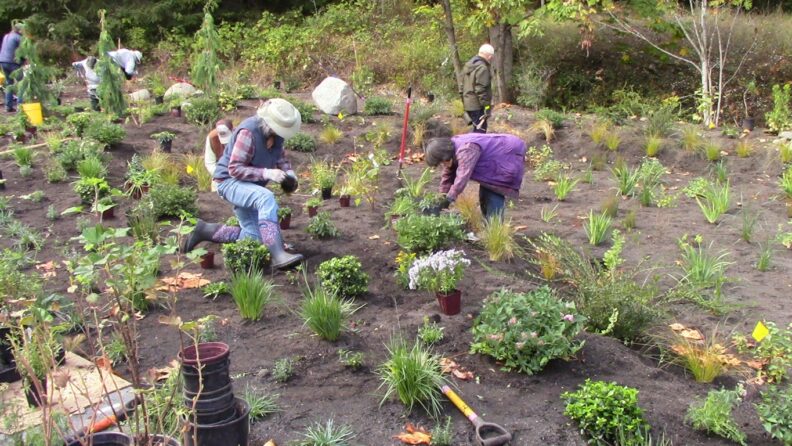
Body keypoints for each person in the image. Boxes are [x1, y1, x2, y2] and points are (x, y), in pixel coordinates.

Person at [181, 98, 303, 270]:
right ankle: (277, 254)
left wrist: (289, 174)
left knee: (253, 238)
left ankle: (205, 230)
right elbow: (234, 169)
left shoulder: (277, 137)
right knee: (266, 198)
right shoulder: (249, 133)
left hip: (250, 186)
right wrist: (267, 173)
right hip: (229, 182)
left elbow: (280, 158)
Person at [424, 133, 526, 219]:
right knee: (484, 196)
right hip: (494, 159)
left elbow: (463, 176)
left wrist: (449, 198)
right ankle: (490, 228)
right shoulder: (451, 149)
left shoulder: (467, 149)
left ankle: (495, 231)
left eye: (441, 162)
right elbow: (448, 174)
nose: (443, 165)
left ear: (444, 156)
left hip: (507, 154)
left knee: (493, 193)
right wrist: (442, 196)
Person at [461, 43, 494, 133]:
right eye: (491, 56)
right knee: (480, 133)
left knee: (475, 131)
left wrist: (463, 102)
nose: (491, 58)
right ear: (489, 55)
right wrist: (487, 108)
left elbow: (461, 86)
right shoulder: (482, 68)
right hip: (477, 105)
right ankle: (475, 147)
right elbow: (481, 90)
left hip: (468, 103)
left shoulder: (468, 65)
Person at [0, 23, 25, 112]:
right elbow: (23, 51)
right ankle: (21, 106)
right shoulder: (18, 38)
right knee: (21, 83)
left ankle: (8, 106)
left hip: (2, 62)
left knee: (9, 84)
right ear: (19, 30)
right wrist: (24, 61)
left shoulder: (6, 36)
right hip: (12, 63)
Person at [204, 119, 234, 191]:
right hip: (220, 174)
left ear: (232, 130)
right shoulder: (212, 138)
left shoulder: (240, 136)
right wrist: (220, 175)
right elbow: (210, 163)